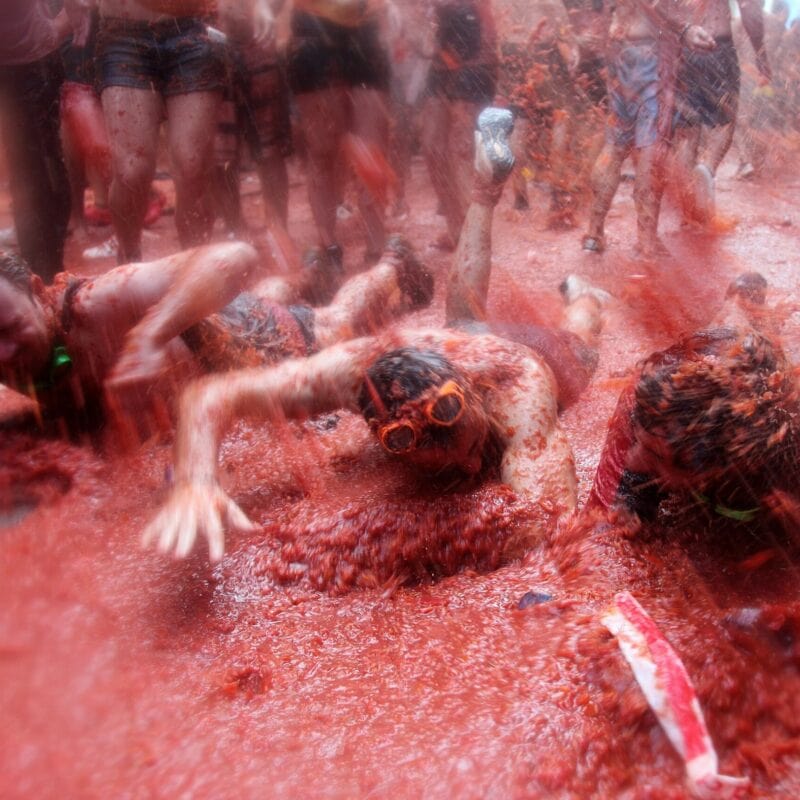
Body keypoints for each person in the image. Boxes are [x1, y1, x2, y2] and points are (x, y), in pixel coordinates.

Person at [142, 107, 612, 561]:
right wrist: (195, 479)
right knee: (463, 316)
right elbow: (210, 394)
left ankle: (584, 296)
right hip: (458, 340)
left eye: (471, 448)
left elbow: (553, 528)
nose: (474, 468)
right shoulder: (348, 371)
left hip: (533, 354)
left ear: (471, 390)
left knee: (580, 345)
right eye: (460, 458)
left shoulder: (522, 393)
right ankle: (484, 190)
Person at [0, 234, 434, 430]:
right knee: (264, 298)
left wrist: (149, 338)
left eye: (11, 328)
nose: (3, 355)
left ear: (38, 292)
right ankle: (311, 272)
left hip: (244, 342)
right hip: (213, 318)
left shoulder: (95, 304)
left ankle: (392, 263)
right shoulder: (19, 343)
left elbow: (234, 256)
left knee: (333, 321)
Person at [588, 272, 799, 525]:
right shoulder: (646, 403)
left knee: (762, 344)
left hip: (764, 393)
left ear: (723, 468)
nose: (632, 459)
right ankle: (739, 302)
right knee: (728, 330)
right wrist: (630, 503)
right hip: (707, 356)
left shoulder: (784, 451)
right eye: (644, 446)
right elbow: (606, 509)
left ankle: (748, 306)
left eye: (656, 455)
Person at [581, 0, 715, 258]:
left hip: (619, 47)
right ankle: (647, 240)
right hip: (650, 53)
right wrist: (685, 29)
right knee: (652, 146)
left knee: (615, 144)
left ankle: (594, 234)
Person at [287, 0, 391, 268]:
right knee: (322, 151)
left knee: (371, 150)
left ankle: (377, 248)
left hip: (364, 29)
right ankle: (329, 248)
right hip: (313, 33)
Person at [673, 0, 771, 223]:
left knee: (687, 131)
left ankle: (690, 207)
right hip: (716, 46)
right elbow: (749, 8)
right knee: (725, 123)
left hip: (682, 49)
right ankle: (707, 168)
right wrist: (761, 54)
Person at [0, 0, 73, 283]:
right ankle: (40, 272)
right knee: (25, 168)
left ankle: (46, 272)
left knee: (37, 165)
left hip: (33, 60)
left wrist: (60, 25)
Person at [422, 0, 499, 249]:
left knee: (462, 148)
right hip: (439, 63)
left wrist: (488, 66)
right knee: (432, 147)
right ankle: (457, 224)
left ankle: (471, 227)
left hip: (474, 63)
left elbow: (489, 18)